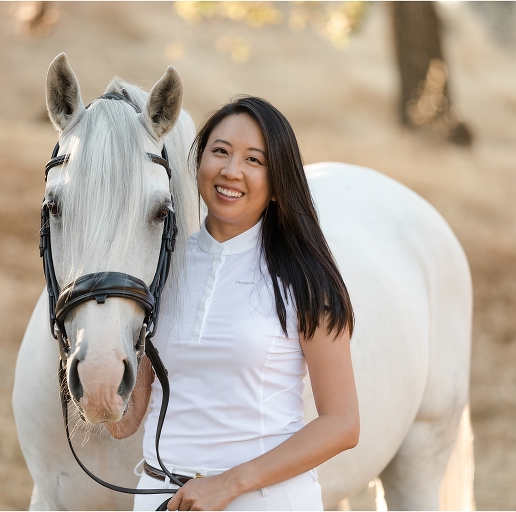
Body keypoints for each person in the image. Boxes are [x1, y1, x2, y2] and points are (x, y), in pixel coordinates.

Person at [107, 96, 360, 511]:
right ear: (199, 162)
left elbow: (343, 424)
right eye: (220, 151)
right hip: (159, 497)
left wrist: (227, 484)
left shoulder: (307, 281)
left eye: (253, 160)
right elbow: (129, 419)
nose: (231, 170)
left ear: (279, 184)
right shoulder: (161, 269)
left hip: (263, 501)